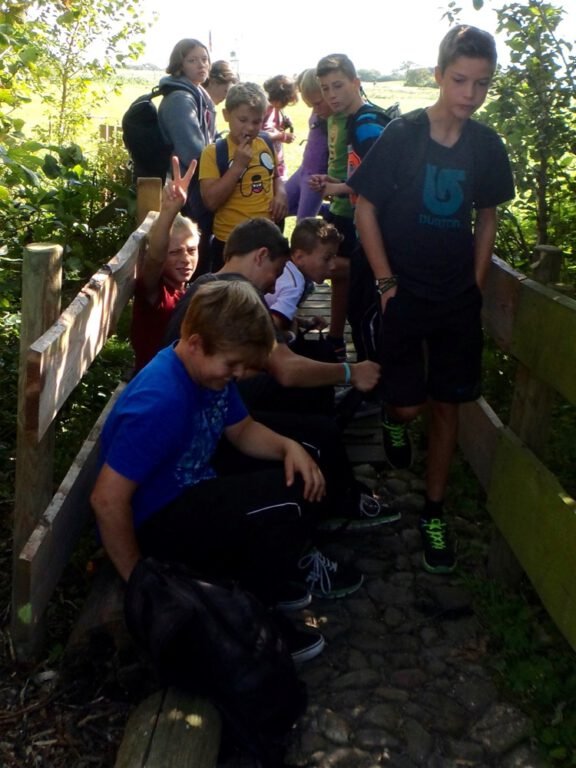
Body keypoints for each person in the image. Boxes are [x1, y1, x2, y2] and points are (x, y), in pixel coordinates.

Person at [92, 280, 357, 662]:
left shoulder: (205, 372)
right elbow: (105, 499)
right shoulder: (161, 400)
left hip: (193, 486)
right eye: (231, 365)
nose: (236, 374)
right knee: (289, 503)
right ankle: (255, 627)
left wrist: (288, 447)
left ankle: (260, 587)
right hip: (158, 525)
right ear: (197, 342)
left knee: (290, 474)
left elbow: (242, 430)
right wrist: (142, 584)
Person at [350, 25, 515, 574]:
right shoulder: (404, 134)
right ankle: (396, 418)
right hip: (403, 292)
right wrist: (384, 282)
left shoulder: (488, 147)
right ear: (440, 75)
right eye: (461, 80)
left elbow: (487, 214)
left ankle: (434, 512)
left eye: (482, 84)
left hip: (455, 298)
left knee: (448, 404)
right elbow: (365, 205)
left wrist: (473, 282)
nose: (470, 94)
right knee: (408, 402)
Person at [309, 53, 391, 364]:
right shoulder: (356, 121)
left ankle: (371, 385)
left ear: (356, 83)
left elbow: (382, 177)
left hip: (377, 232)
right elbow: (364, 172)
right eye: (325, 88)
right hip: (365, 228)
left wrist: (338, 188)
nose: (332, 95)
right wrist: (337, 181)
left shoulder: (366, 125)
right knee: (360, 309)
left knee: (365, 312)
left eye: (338, 86)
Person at [199, 82, 288, 272]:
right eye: (242, 120)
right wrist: (238, 166)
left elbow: (275, 176)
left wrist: (280, 193)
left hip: (265, 241)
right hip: (230, 243)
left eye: (256, 122)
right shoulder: (213, 153)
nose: (249, 127)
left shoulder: (265, 143)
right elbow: (211, 201)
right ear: (226, 115)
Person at [130, 156, 198, 373]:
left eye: (191, 250)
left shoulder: (187, 290)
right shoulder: (155, 295)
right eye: (175, 252)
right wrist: (169, 211)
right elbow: (155, 258)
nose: (186, 259)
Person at [158, 38, 214, 275]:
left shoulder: (196, 93)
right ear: (179, 65)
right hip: (184, 185)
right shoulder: (181, 99)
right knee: (190, 244)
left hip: (191, 183)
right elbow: (192, 151)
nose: (201, 65)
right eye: (192, 60)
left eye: (204, 59)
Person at [264, 217, 340, 346]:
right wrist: (292, 336)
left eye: (334, 257)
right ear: (299, 257)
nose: (333, 265)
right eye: (327, 258)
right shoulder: (294, 285)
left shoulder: (287, 268)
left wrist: (305, 323)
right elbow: (268, 332)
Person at [285, 69, 332, 221]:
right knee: (278, 206)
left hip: (314, 178)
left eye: (318, 103)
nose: (316, 110)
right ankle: (324, 210)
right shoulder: (320, 111)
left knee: (303, 224)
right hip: (303, 170)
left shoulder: (335, 119)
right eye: (311, 105)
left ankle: (325, 210)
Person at [262, 74, 299, 180]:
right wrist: (282, 136)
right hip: (266, 161)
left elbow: (274, 128)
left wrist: (283, 124)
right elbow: (261, 134)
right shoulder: (266, 109)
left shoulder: (277, 109)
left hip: (277, 161)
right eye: (286, 102)